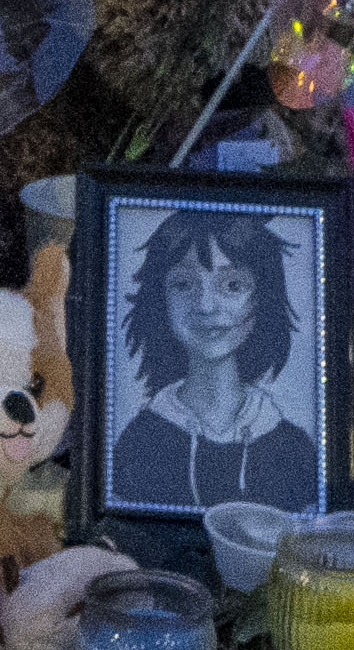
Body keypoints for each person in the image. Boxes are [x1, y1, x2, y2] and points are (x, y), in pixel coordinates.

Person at [94, 203, 310, 520]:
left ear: (263, 298)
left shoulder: (294, 449)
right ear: (160, 299)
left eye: (232, 285)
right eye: (183, 284)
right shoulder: (140, 442)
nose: (206, 306)